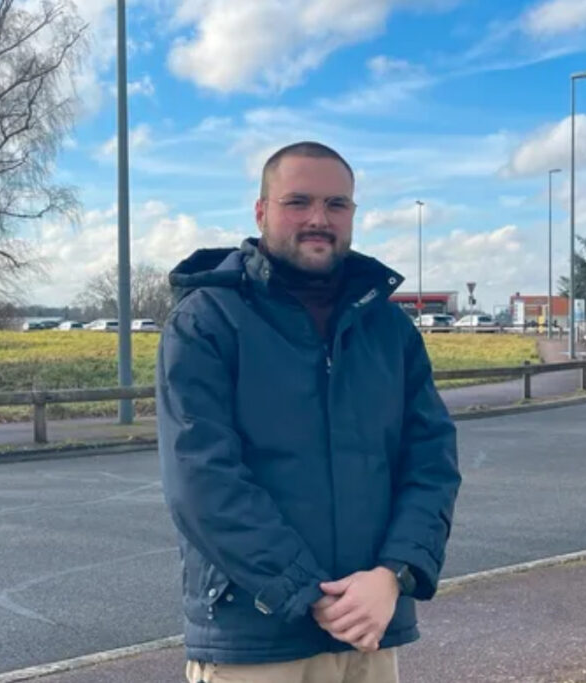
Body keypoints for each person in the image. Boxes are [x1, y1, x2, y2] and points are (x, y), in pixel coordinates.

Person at [156, 141, 461, 683]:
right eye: (298, 202)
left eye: (336, 205)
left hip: (370, 626)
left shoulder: (389, 330)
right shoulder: (207, 322)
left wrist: (392, 575)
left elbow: (431, 463)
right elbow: (202, 479)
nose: (319, 219)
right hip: (256, 636)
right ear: (261, 211)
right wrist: (304, 592)